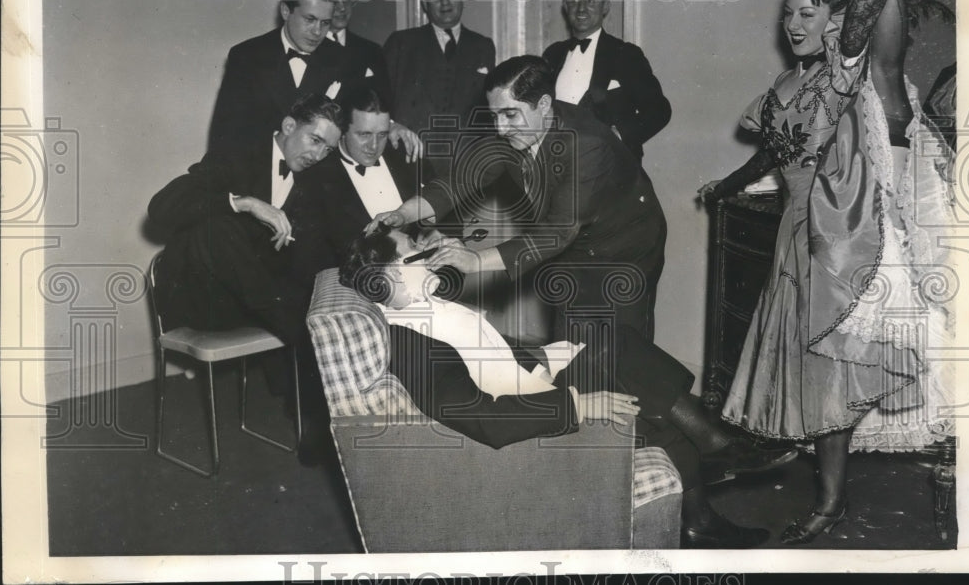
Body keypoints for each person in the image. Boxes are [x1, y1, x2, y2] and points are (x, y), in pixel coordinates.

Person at [698, 0, 955, 544]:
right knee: (811, 376)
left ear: (834, 22)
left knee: (834, 372)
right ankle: (820, 484)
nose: (793, 25)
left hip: (838, 243)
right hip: (794, 235)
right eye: (788, 15)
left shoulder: (844, 74)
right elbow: (774, 155)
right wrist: (725, 185)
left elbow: (869, 13)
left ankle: (830, 502)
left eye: (806, 14)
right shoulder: (787, 83)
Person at [341, 227, 798, 548]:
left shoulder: (422, 308)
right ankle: (715, 452)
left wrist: (548, 358)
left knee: (611, 350)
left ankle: (701, 509)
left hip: (529, 384)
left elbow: (488, 355)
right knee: (620, 361)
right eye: (417, 255)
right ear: (392, 276)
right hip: (525, 416)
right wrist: (578, 404)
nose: (431, 259)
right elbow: (480, 417)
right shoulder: (409, 340)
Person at [368, 56, 666, 340]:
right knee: (571, 347)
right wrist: (403, 214)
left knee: (626, 352)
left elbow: (558, 231)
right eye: (495, 115)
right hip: (572, 248)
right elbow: (459, 182)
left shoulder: (587, 144)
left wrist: (475, 260)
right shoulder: (515, 131)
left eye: (510, 114)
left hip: (626, 248)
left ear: (544, 105)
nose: (500, 127)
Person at [149, 93, 347, 466]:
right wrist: (244, 202)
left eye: (328, 149)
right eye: (315, 140)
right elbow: (160, 208)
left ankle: (316, 384)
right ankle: (306, 340)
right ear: (289, 127)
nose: (319, 155)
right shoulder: (235, 154)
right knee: (219, 229)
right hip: (200, 301)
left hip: (258, 304)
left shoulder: (315, 179)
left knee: (313, 271)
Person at [208, 0, 419, 159]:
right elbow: (225, 134)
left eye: (325, 23)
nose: (318, 32)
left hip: (319, 181)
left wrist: (392, 126)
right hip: (260, 175)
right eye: (309, 19)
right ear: (285, 11)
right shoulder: (247, 56)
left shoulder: (344, 59)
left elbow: (360, 109)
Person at [542, 0, 671, 162]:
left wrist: (619, 135)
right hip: (560, 165)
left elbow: (659, 110)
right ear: (565, 6)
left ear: (606, 7)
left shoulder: (625, 54)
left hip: (612, 166)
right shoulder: (552, 54)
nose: (581, 8)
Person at [311, 84, 421, 264]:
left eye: (382, 135)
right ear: (342, 130)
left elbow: (443, 204)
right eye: (364, 135)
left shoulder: (406, 153)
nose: (374, 146)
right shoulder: (318, 177)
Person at [382, 0, 496, 137]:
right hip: (413, 154)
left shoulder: (483, 46)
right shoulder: (401, 43)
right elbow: (380, 100)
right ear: (425, 5)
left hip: (466, 155)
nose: (445, 3)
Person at [314, 0, 393, 105]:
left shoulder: (372, 51)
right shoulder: (306, 49)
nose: (342, 7)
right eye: (333, 0)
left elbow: (386, 105)